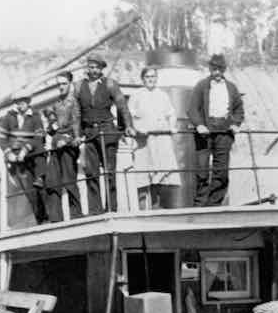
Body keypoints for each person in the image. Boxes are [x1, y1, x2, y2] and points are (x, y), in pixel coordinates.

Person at [75, 54, 136, 214]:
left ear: (101, 68)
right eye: (90, 67)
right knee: (91, 173)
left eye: (96, 67)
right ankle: (95, 211)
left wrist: (128, 126)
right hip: (89, 133)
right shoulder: (79, 86)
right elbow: (76, 113)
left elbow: (122, 106)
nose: (93, 70)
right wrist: (77, 134)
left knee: (109, 171)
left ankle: (111, 209)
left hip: (107, 130)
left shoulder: (110, 84)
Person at [187, 53, 244, 206]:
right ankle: (199, 206)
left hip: (224, 134)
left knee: (221, 171)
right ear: (210, 69)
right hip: (204, 134)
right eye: (214, 69)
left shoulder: (231, 88)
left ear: (224, 70)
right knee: (202, 171)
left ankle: (214, 205)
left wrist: (235, 123)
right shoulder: (201, 86)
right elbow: (192, 109)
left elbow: (239, 110)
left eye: (219, 69)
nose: (217, 72)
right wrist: (199, 124)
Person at [128, 67, 181, 209]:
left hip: (162, 139)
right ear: (143, 79)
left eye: (153, 77)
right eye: (147, 77)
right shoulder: (136, 95)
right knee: (145, 172)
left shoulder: (163, 95)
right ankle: (146, 207)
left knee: (163, 170)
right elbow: (130, 115)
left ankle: (162, 206)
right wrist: (138, 128)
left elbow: (171, 113)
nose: (150, 79)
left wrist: (171, 126)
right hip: (145, 141)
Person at [0, 92, 48, 223]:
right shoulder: (9, 117)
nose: (20, 105)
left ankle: (47, 217)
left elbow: (39, 137)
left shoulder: (35, 116)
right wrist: (9, 153)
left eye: (23, 102)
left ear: (28, 102)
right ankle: (40, 219)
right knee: (29, 192)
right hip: (16, 158)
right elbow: (2, 138)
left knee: (40, 188)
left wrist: (25, 149)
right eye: (18, 102)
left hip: (32, 155)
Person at [42, 71, 83, 222]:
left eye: (64, 84)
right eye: (59, 84)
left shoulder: (75, 102)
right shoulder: (57, 103)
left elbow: (78, 124)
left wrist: (68, 138)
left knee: (69, 181)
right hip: (55, 146)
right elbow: (50, 118)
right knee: (52, 182)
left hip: (68, 146)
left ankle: (77, 216)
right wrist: (50, 124)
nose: (61, 87)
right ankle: (55, 219)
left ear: (70, 84)